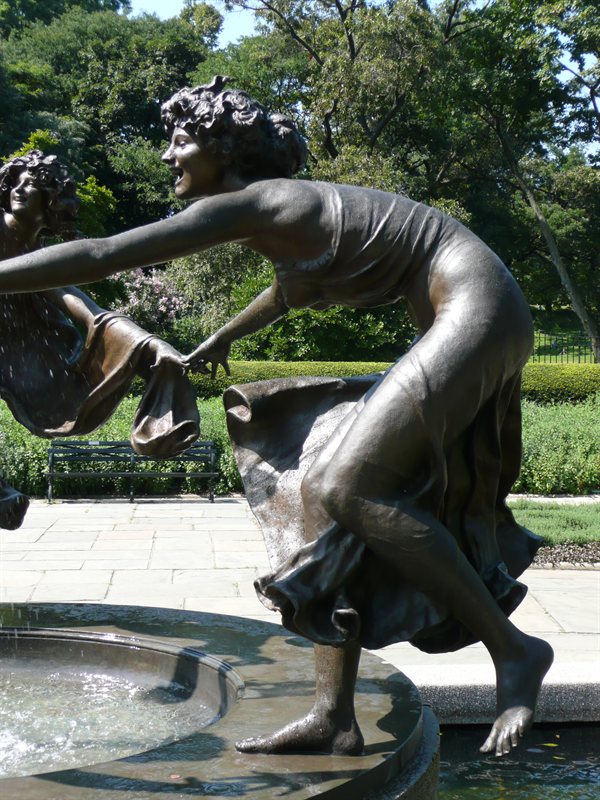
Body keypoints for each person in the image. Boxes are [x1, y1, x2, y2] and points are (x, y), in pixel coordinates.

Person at [0, 77, 553, 758]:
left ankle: (516, 651)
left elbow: (103, 255)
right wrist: (222, 339)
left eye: (180, 140)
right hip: (468, 308)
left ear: (223, 149)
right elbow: (291, 290)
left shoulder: (260, 199)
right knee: (317, 497)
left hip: (477, 305)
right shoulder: (283, 214)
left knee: (350, 487)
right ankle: (334, 716)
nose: (168, 157)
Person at [0, 151, 199, 529]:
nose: (22, 189)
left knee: (71, 365)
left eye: (36, 184)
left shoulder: (38, 254)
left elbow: (85, 308)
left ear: (53, 203)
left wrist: (149, 345)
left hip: (14, 345)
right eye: (19, 180)